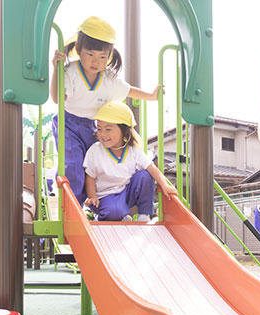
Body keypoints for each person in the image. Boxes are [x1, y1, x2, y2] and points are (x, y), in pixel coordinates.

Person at [50, 16, 161, 204]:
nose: (96, 61)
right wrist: (56, 70)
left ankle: (94, 204)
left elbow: (129, 90)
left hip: (94, 127)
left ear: (109, 56)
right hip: (68, 123)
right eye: (90, 54)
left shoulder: (108, 78)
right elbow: (57, 98)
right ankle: (71, 207)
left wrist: (151, 96)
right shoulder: (71, 71)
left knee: (93, 166)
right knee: (74, 165)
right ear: (78, 49)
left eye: (102, 57)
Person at [83, 101, 176, 221]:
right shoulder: (95, 150)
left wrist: (165, 185)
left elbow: (152, 168)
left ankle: (144, 215)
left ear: (124, 130)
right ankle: (108, 216)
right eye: (99, 129)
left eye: (108, 129)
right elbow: (90, 176)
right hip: (104, 197)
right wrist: (92, 197)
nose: (102, 134)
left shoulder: (132, 150)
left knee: (145, 175)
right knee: (114, 211)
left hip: (126, 193)